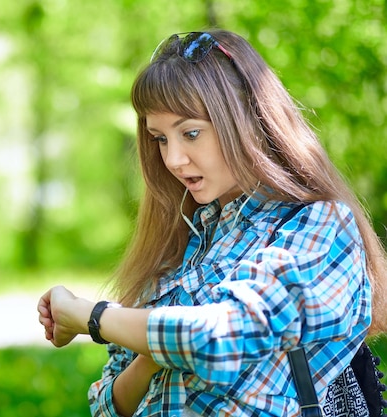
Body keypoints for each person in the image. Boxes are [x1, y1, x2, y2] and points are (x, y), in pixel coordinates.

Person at [37, 29, 387, 416]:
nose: (173, 160)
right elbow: (106, 406)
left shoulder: (318, 226)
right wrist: (159, 349)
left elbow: (222, 338)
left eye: (190, 133)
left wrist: (93, 317)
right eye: (160, 139)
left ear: (247, 119)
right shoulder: (180, 243)